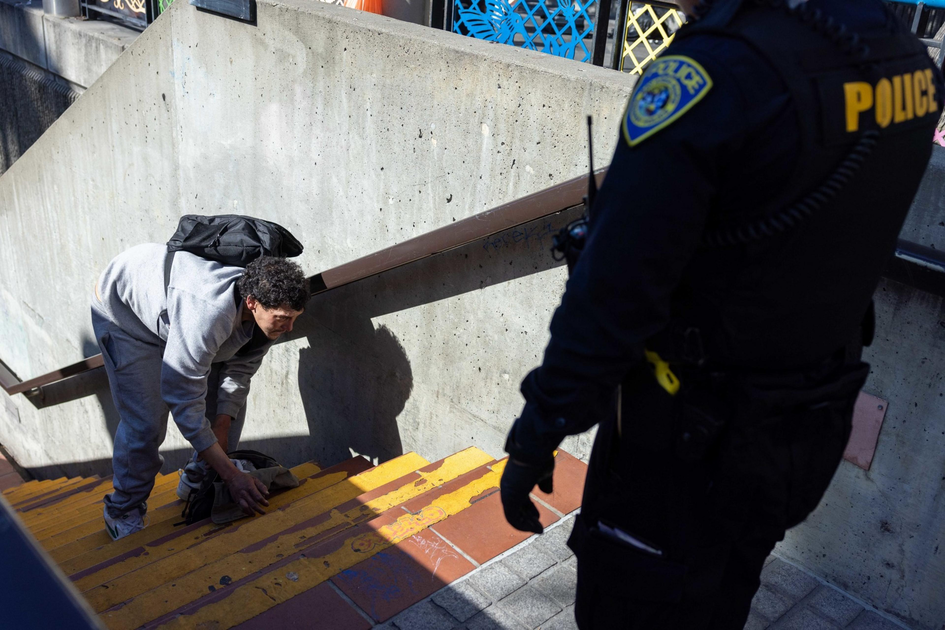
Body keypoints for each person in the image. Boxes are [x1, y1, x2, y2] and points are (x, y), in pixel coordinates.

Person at [499, 0, 943, 627]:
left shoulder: (715, 74)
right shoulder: (897, 50)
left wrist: (536, 435)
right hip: (797, 430)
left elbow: (611, 299)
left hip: (682, 448)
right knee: (720, 599)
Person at [92, 244, 309, 540]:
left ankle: (198, 477)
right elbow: (183, 397)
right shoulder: (208, 314)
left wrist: (221, 424)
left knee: (228, 405)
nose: (290, 327)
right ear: (252, 303)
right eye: (284, 319)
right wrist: (232, 476)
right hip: (125, 315)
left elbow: (241, 370)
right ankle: (122, 510)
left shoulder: (270, 315)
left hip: (177, 314)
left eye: (295, 317)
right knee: (146, 421)